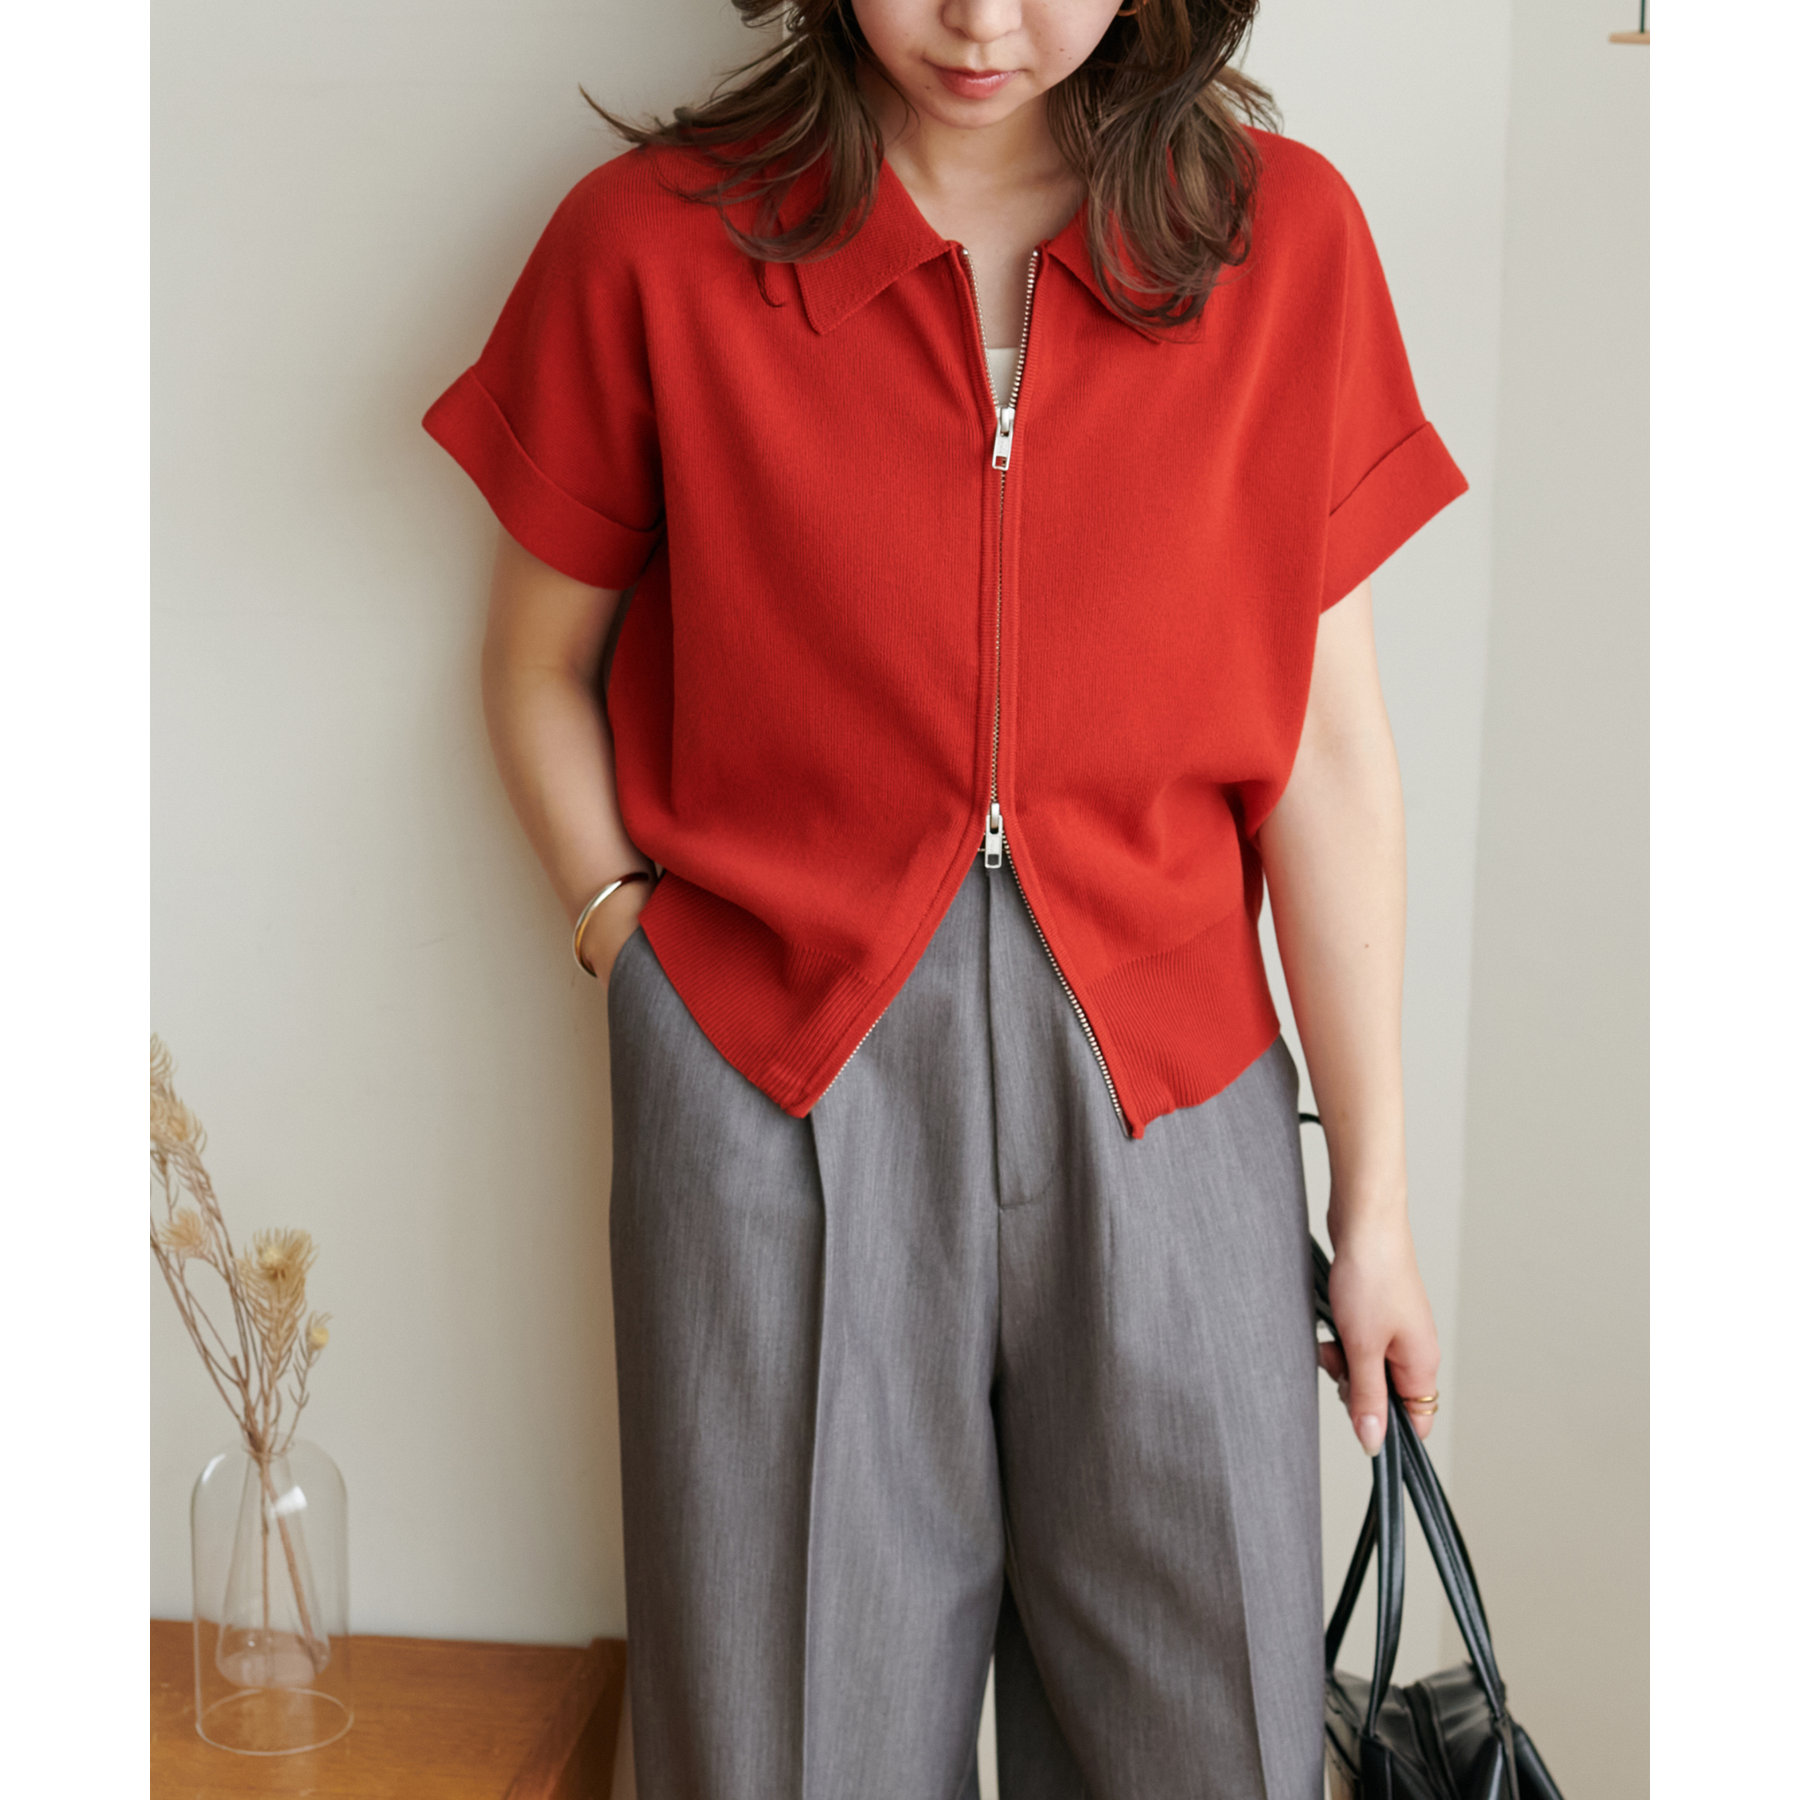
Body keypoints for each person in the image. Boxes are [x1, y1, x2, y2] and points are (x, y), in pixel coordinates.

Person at [424, 2, 1467, 1795]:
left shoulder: (1281, 242)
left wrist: (1373, 1208)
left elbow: (1327, 751)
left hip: (1176, 1102)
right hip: (768, 1100)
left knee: (1206, 1746)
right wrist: (628, 950)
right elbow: (531, 667)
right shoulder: (651, 245)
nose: (983, 19)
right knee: (783, 1745)